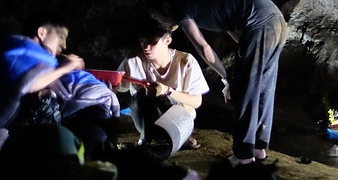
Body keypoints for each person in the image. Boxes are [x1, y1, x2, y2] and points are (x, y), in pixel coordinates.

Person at [152, 0, 287, 165]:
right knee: (263, 88)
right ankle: (258, 148)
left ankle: (244, 156)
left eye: (155, 16)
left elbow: (203, 47)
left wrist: (227, 78)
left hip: (259, 24)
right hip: (277, 23)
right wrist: (249, 51)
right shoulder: (206, 5)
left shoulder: (179, 8)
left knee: (244, 92)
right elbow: (230, 26)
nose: (159, 23)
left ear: (165, 6)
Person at [0, 13, 119, 157]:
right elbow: (30, 84)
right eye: (61, 37)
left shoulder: (15, 47)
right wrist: (67, 67)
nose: (64, 45)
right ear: (42, 33)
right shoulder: (27, 50)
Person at [116, 19, 210, 158]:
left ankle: (178, 137)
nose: (146, 47)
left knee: (162, 97)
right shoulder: (134, 61)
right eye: (143, 41)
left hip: (179, 122)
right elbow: (115, 87)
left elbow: (196, 102)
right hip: (147, 121)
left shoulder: (185, 62)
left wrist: (168, 91)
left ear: (167, 41)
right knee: (141, 96)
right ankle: (147, 139)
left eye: (153, 42)